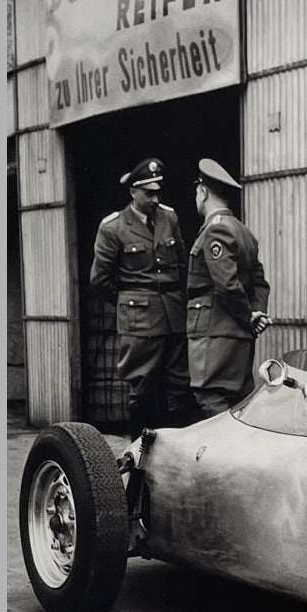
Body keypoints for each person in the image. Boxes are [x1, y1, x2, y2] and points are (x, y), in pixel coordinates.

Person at [90, 158, 196, 439]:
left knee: (179, 386)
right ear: (133, 192)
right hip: (139, 322)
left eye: (157, 191)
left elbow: (181, 266)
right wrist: (129, 302)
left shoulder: (169, 217)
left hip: (173, 317)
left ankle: (174, 452)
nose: (155, 198)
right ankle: (137, 456)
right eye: (149, 193)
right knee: (142, 388)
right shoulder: (113, 228)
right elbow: (100, 280)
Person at [187, 158, 272, 416]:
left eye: (197, 191)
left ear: (203, 192)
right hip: (238, 335)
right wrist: (255, 315)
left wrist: (249, 317)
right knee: (239, 403)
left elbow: (226, 284)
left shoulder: (215, 231)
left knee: (211, 397)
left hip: (215, 333)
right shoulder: (244, 232)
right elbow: (259, 282)